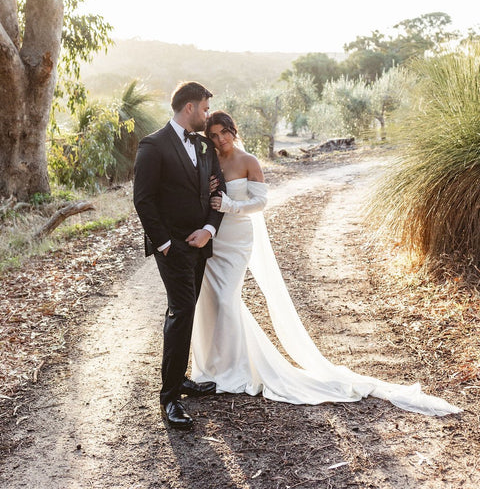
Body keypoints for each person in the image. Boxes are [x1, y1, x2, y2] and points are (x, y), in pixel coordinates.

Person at [191, 110, 461, 416]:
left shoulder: (248, 161)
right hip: (214, 237)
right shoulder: (210, 159)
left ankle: (235, 371)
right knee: (211, 301)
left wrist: (232, 205)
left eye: (223, 132)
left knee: (227, 299)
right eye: (213, 135)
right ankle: (214, 367)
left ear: (232, 130)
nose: (219, 139)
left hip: (237, 238)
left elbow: (261, 202)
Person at [133, 82, 226, 429]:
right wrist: (165, 244)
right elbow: (144, 199)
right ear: (189, 107)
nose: (206, 114)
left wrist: (209, 230)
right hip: (172, 248)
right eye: (204, 109)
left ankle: (180, 379)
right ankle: (169, 397)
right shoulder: (153, 146)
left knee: (184, 311)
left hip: (201, 244)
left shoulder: (204, 146)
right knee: (182, 309)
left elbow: (219, 192)